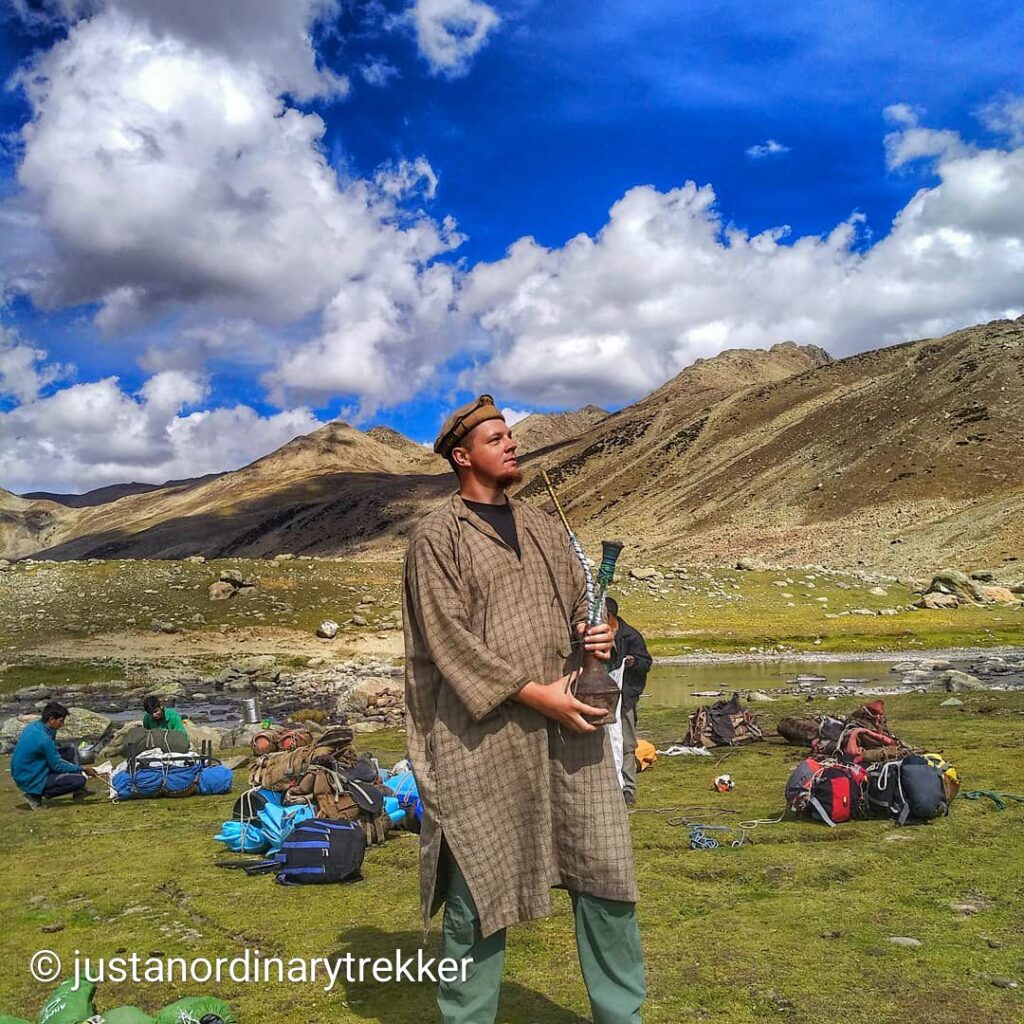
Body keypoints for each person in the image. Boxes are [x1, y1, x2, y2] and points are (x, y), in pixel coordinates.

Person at [403, 394, 645, 1024]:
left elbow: (578, 602)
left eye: (510, 435)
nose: (511, 444)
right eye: (496, 438)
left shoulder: (540, 523)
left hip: (572, 734)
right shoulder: (437, 536)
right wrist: (537, 694)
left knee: (606, 877)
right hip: (482, 739)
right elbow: (446, 636)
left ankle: (623, 1015)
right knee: (481, 888)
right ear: (463, 456)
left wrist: (600, 630)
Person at [604, 598, 653, 806]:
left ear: (610, 616)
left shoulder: (630, 636)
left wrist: (634, 663)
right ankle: (609, 785)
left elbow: (646, 663)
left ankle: (628, 788)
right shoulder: (596, 634)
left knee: (626, 742)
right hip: (602, 697)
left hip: (625, 698)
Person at [11, 701, 98, 810]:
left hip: (29, 768)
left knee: (71, 750)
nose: (62, 724)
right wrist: (83, 769)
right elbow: (57, 766)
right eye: (61, 721)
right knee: (79, 780)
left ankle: (79, 791)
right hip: (30, 777)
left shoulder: (36, 726)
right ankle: (34, 795)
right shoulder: (44, 738)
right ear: (51, 719)